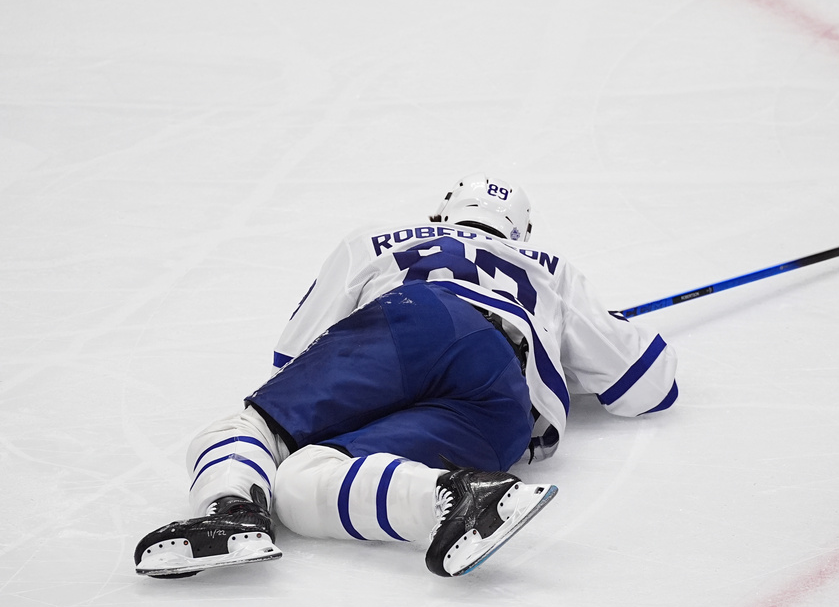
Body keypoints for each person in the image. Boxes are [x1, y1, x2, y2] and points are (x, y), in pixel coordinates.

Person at [134, 174, 679, 579]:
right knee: (302, 485)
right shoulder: (552, 269)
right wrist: (574, 345)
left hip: (416, 320)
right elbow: (649, 387)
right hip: (507, 408)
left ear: (441, 214)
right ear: (521, 231)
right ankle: (458, 496)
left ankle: (230, 509)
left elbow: (293, 359)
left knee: (260, 431)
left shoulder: (379, 238)